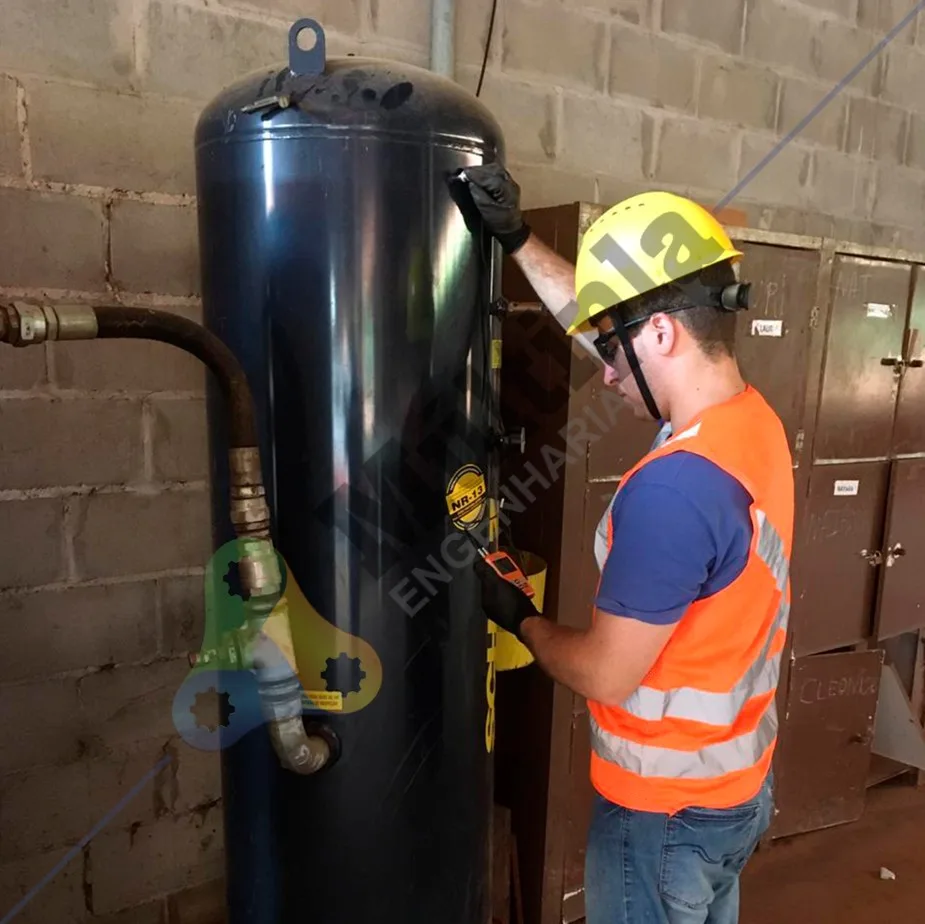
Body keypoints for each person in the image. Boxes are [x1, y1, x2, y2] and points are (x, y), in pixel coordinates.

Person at [458, 163, 795, 924]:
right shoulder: (749, 424)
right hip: (733, 794)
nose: (604, 376)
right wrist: (517, 240)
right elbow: (614, 326)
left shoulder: (673, 491)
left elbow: (606, 676)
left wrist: (519, 617)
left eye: (611, 351)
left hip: (662, 816)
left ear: (663, 332)